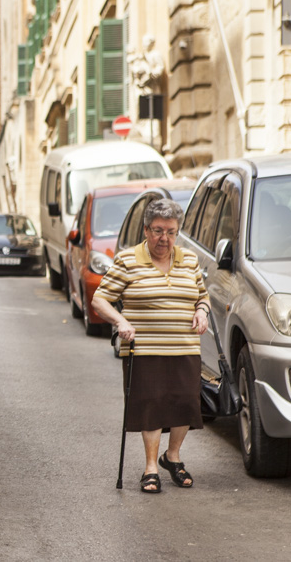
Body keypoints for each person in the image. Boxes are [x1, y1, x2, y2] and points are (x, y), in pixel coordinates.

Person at [91, 199, 209, 494]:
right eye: (158, 231)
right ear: (146, 230)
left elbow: (202, 296)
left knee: (186, 405)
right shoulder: (128, 260)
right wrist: (120, 322)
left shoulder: (190, 260)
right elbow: (100, 299)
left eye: (170, 232)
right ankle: (150, 468)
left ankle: (172, 458)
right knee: (151, 407)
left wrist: (202, 311)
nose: (164, 239)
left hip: (185, 347)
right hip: (144, 349)